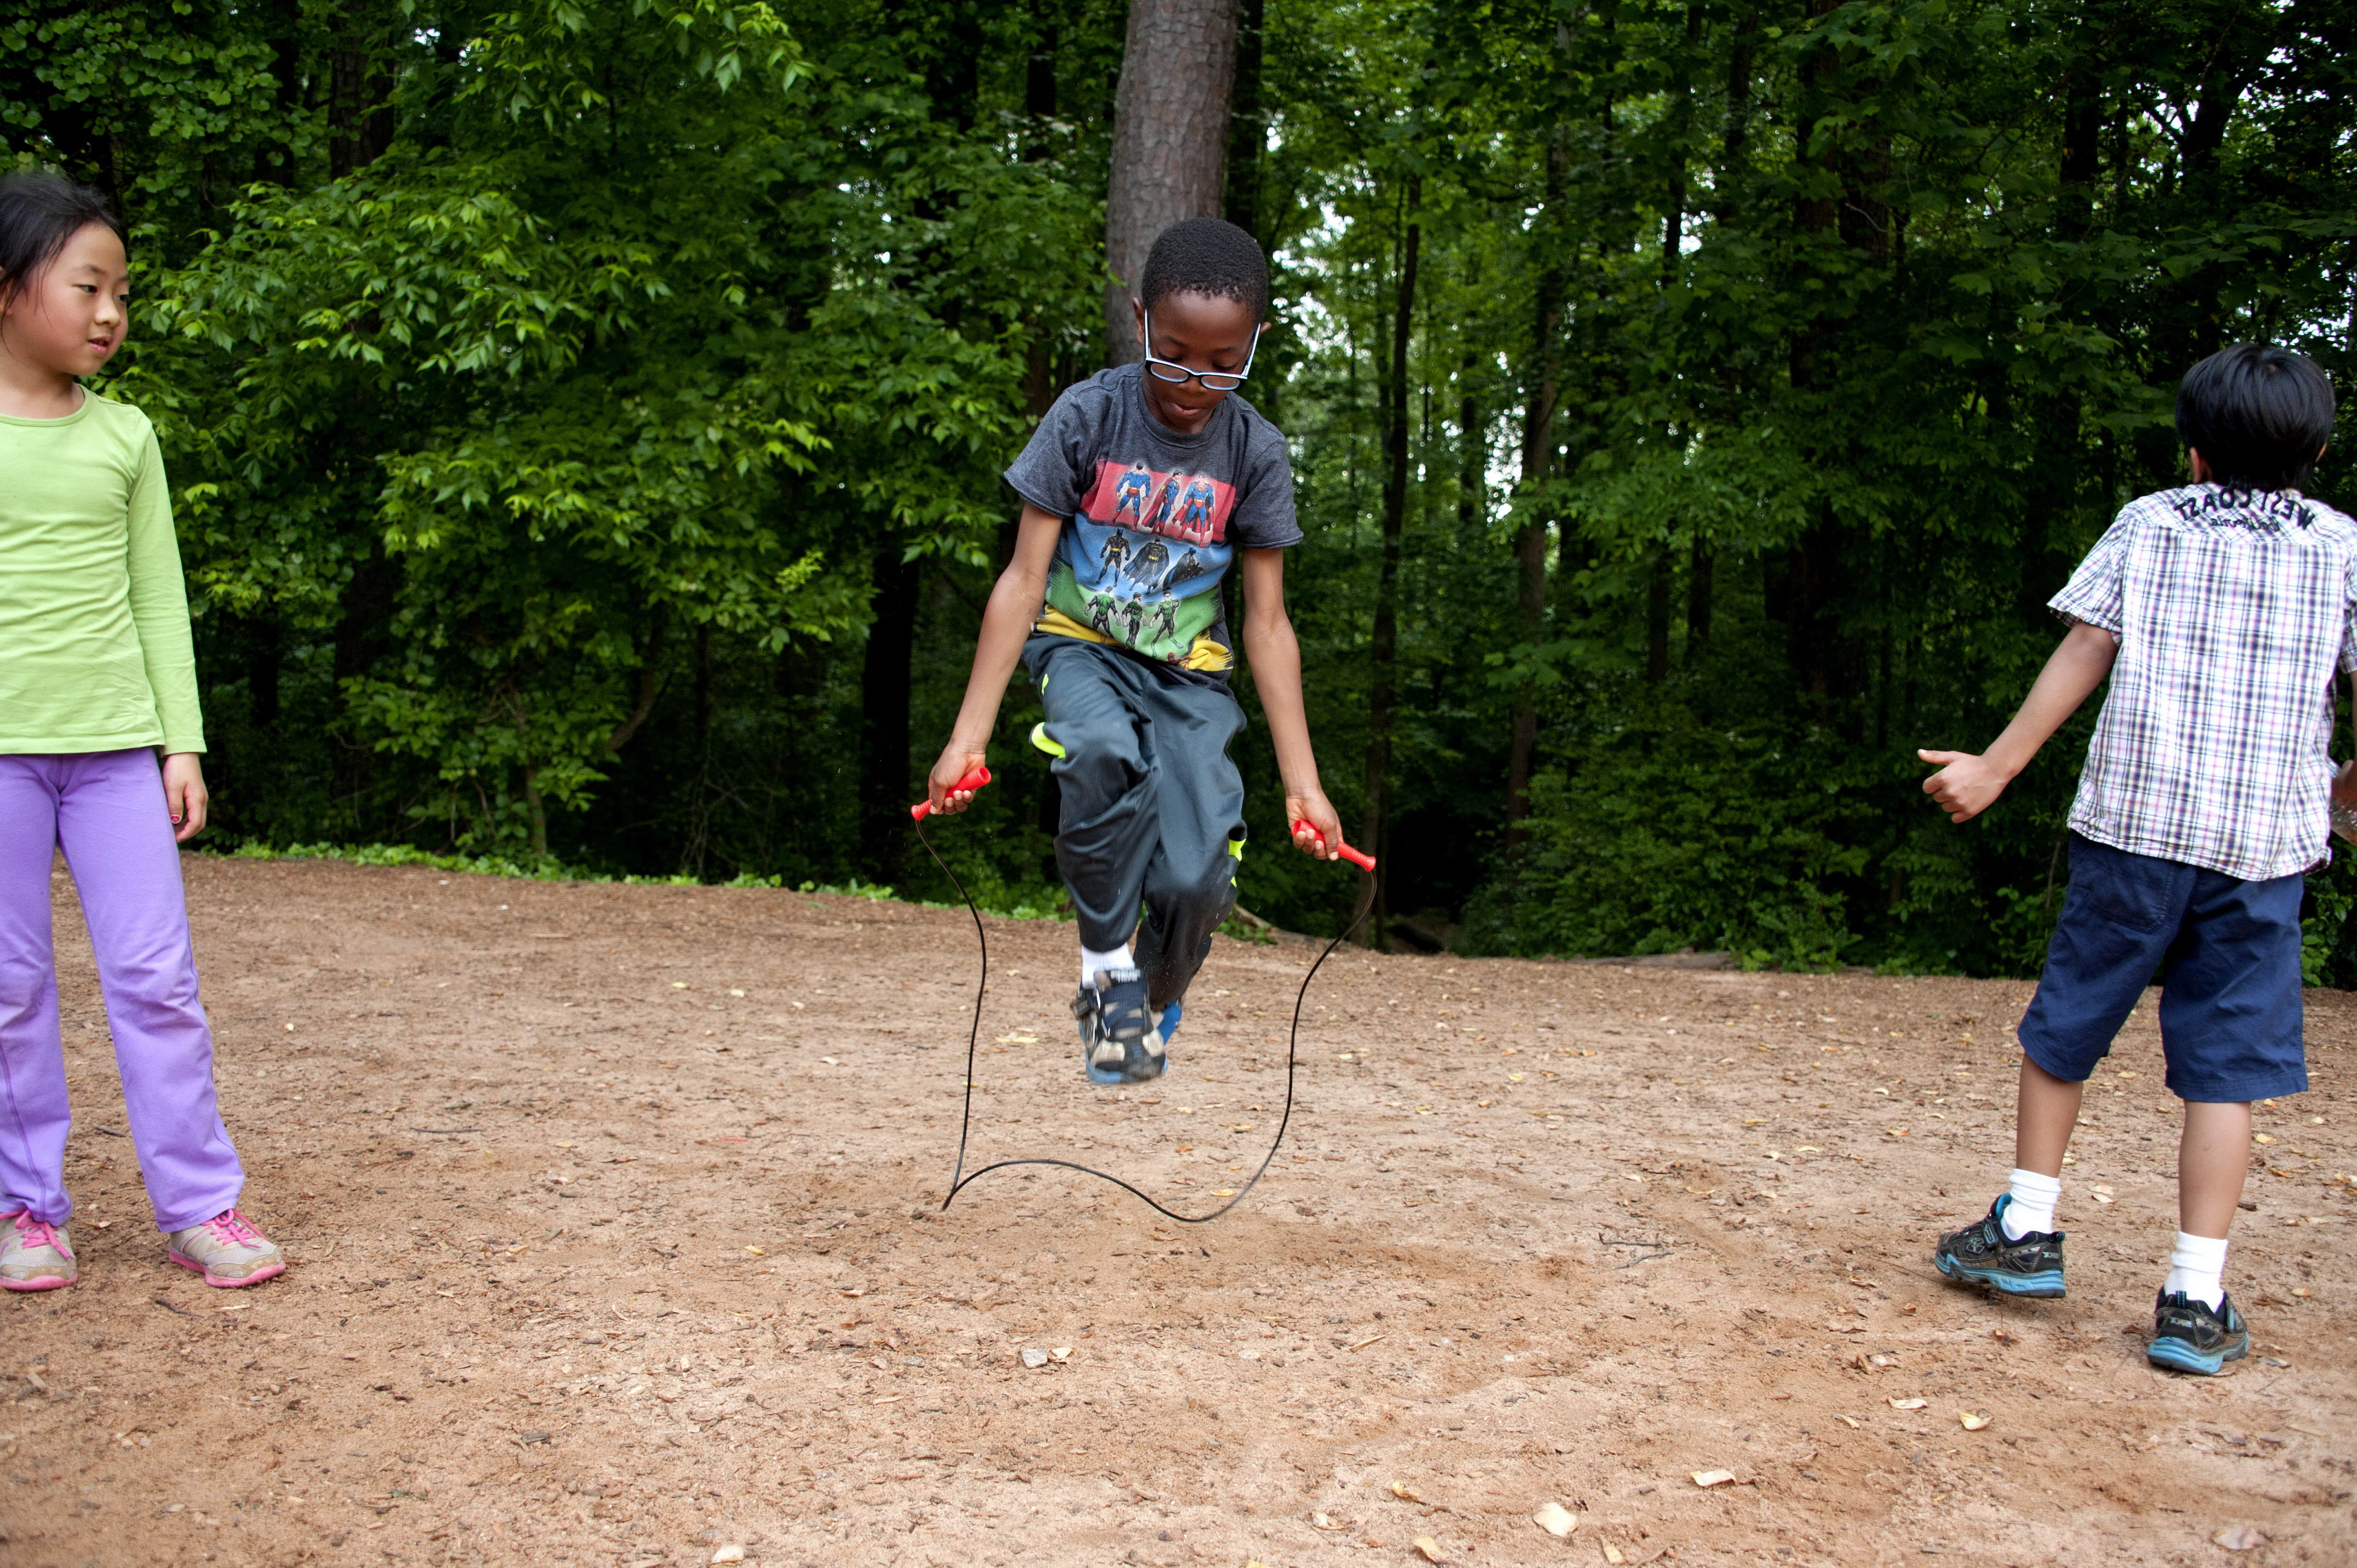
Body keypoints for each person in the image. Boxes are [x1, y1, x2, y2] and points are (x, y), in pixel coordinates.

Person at [1917, 343, 2344, 1375]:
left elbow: (2084, 646)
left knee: (2066, 1025)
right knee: (2226, 1071)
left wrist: (1997, 767)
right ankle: (2195, 1296)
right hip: (2262, 851)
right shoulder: (2343, 549)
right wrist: (2346, 795)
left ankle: (2026, 1227)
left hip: (2133, 834)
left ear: (2193, 452)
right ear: (2317, 451)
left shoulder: (2150, 522)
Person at [925, 216, 1344, 1085]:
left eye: (1225, 362)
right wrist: (967, 737)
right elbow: (1023, 578)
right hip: (1083, 648)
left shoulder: (1255, 452)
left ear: (1255, 341)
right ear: (1141, 317)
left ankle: (1151, 992)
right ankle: (1105, 972)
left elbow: (1266, 623)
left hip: (1191, 679)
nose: (1196, 382)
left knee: (1194, 881)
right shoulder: (1089, 415)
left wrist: (1305, 787)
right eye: (1176, 351)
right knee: (1102, 751)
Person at [0, 172, 284, 1291]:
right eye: (90, 286)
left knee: (158, 979)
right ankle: (26, 1208)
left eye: (123, 291)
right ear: (10, 288)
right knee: (10, 987)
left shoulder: (127, 436)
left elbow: (158, 595)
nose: (113, 313)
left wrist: (182, 742)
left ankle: (202, 1203)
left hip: (118, 752)